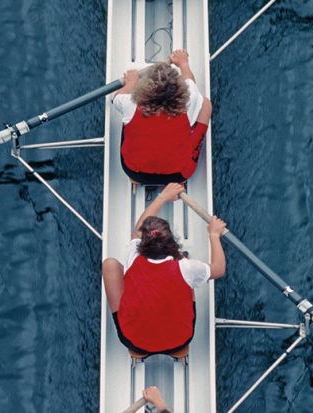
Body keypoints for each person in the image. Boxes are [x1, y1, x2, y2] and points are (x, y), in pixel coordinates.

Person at [102, 183, 226, 354]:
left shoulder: (134, 255)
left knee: (109, 265)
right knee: (189, 276)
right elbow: (219, 269)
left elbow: (137, 231)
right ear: (172, 243)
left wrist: (163, 197)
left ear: (142, 245)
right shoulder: (186, 267)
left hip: (133, 340)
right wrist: (214, 235)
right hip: (180, 340)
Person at [113, 49, 213, 184]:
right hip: (179, 175)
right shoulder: (189, 100)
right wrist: (183, 63)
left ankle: (134, 180)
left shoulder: (131, 103)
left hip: (134, 172)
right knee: (205, 104)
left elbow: (116, 97)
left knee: (127, 117)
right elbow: (190, 82)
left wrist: (131, 83)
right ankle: (182, 180)